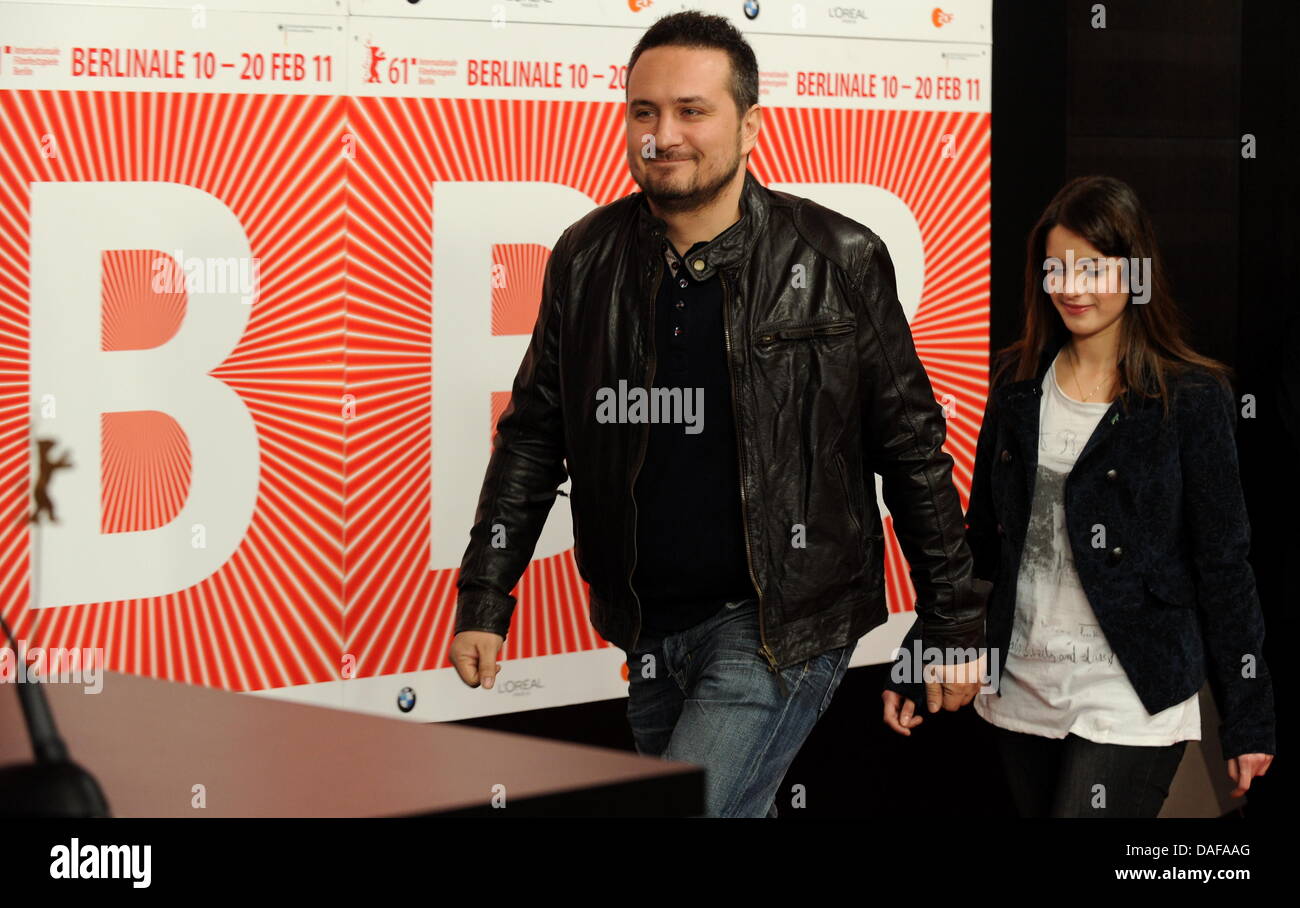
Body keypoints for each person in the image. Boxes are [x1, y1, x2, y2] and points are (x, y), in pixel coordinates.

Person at [449, 11, 989, 818]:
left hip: (778, 621)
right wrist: (487, 596)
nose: (663, 135)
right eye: (644, 110)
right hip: (649, 624)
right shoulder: (586, 258)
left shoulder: (836, 258)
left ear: (750, 124)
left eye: (692, 111)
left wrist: (952, 621)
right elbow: (535, 433)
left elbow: (911, 448)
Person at [883, 175, 1276, 817]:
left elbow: (1224, 566)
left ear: (1135, 271)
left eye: (1091, 268)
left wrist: (1249, 714)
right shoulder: (1017, 383)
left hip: (1130, 692)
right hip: (1021, 686)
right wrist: (920, 656)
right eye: (1056, 269)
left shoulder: (1192, 399)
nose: (1071, 287)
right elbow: (981, 545)